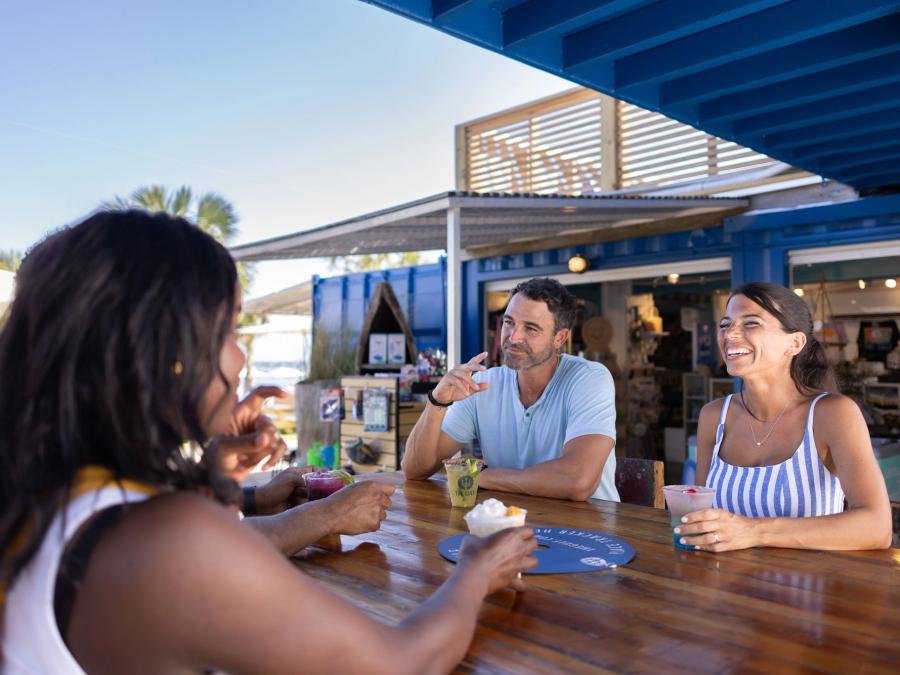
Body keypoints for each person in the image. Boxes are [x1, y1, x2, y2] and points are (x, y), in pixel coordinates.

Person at [0, 210, 537, 674]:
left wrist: (222, 481)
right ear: (160, 349)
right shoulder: (161, 541)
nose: (240, 359)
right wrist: (476, 571)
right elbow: (403, 663)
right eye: (229, 331)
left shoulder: (49, 493)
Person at [685, 282, 892, 551]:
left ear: (794, 343)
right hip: (726, 586)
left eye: (751, 323)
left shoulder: (832, 414)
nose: (730, 334)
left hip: (809, 589)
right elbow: (701, 514)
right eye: (725, 324)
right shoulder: (713, 416)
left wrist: (754, 532)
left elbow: (877, 527)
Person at [403, 278, 618, 502]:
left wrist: (481, 476)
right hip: (510, 524)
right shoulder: (484, 384)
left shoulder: (589, 378)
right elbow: (414, 469)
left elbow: (577, 481)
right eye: (509, 322)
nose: (513, 337)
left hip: (590, 531)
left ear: (560, 338)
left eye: (531, 328)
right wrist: (437, 401)